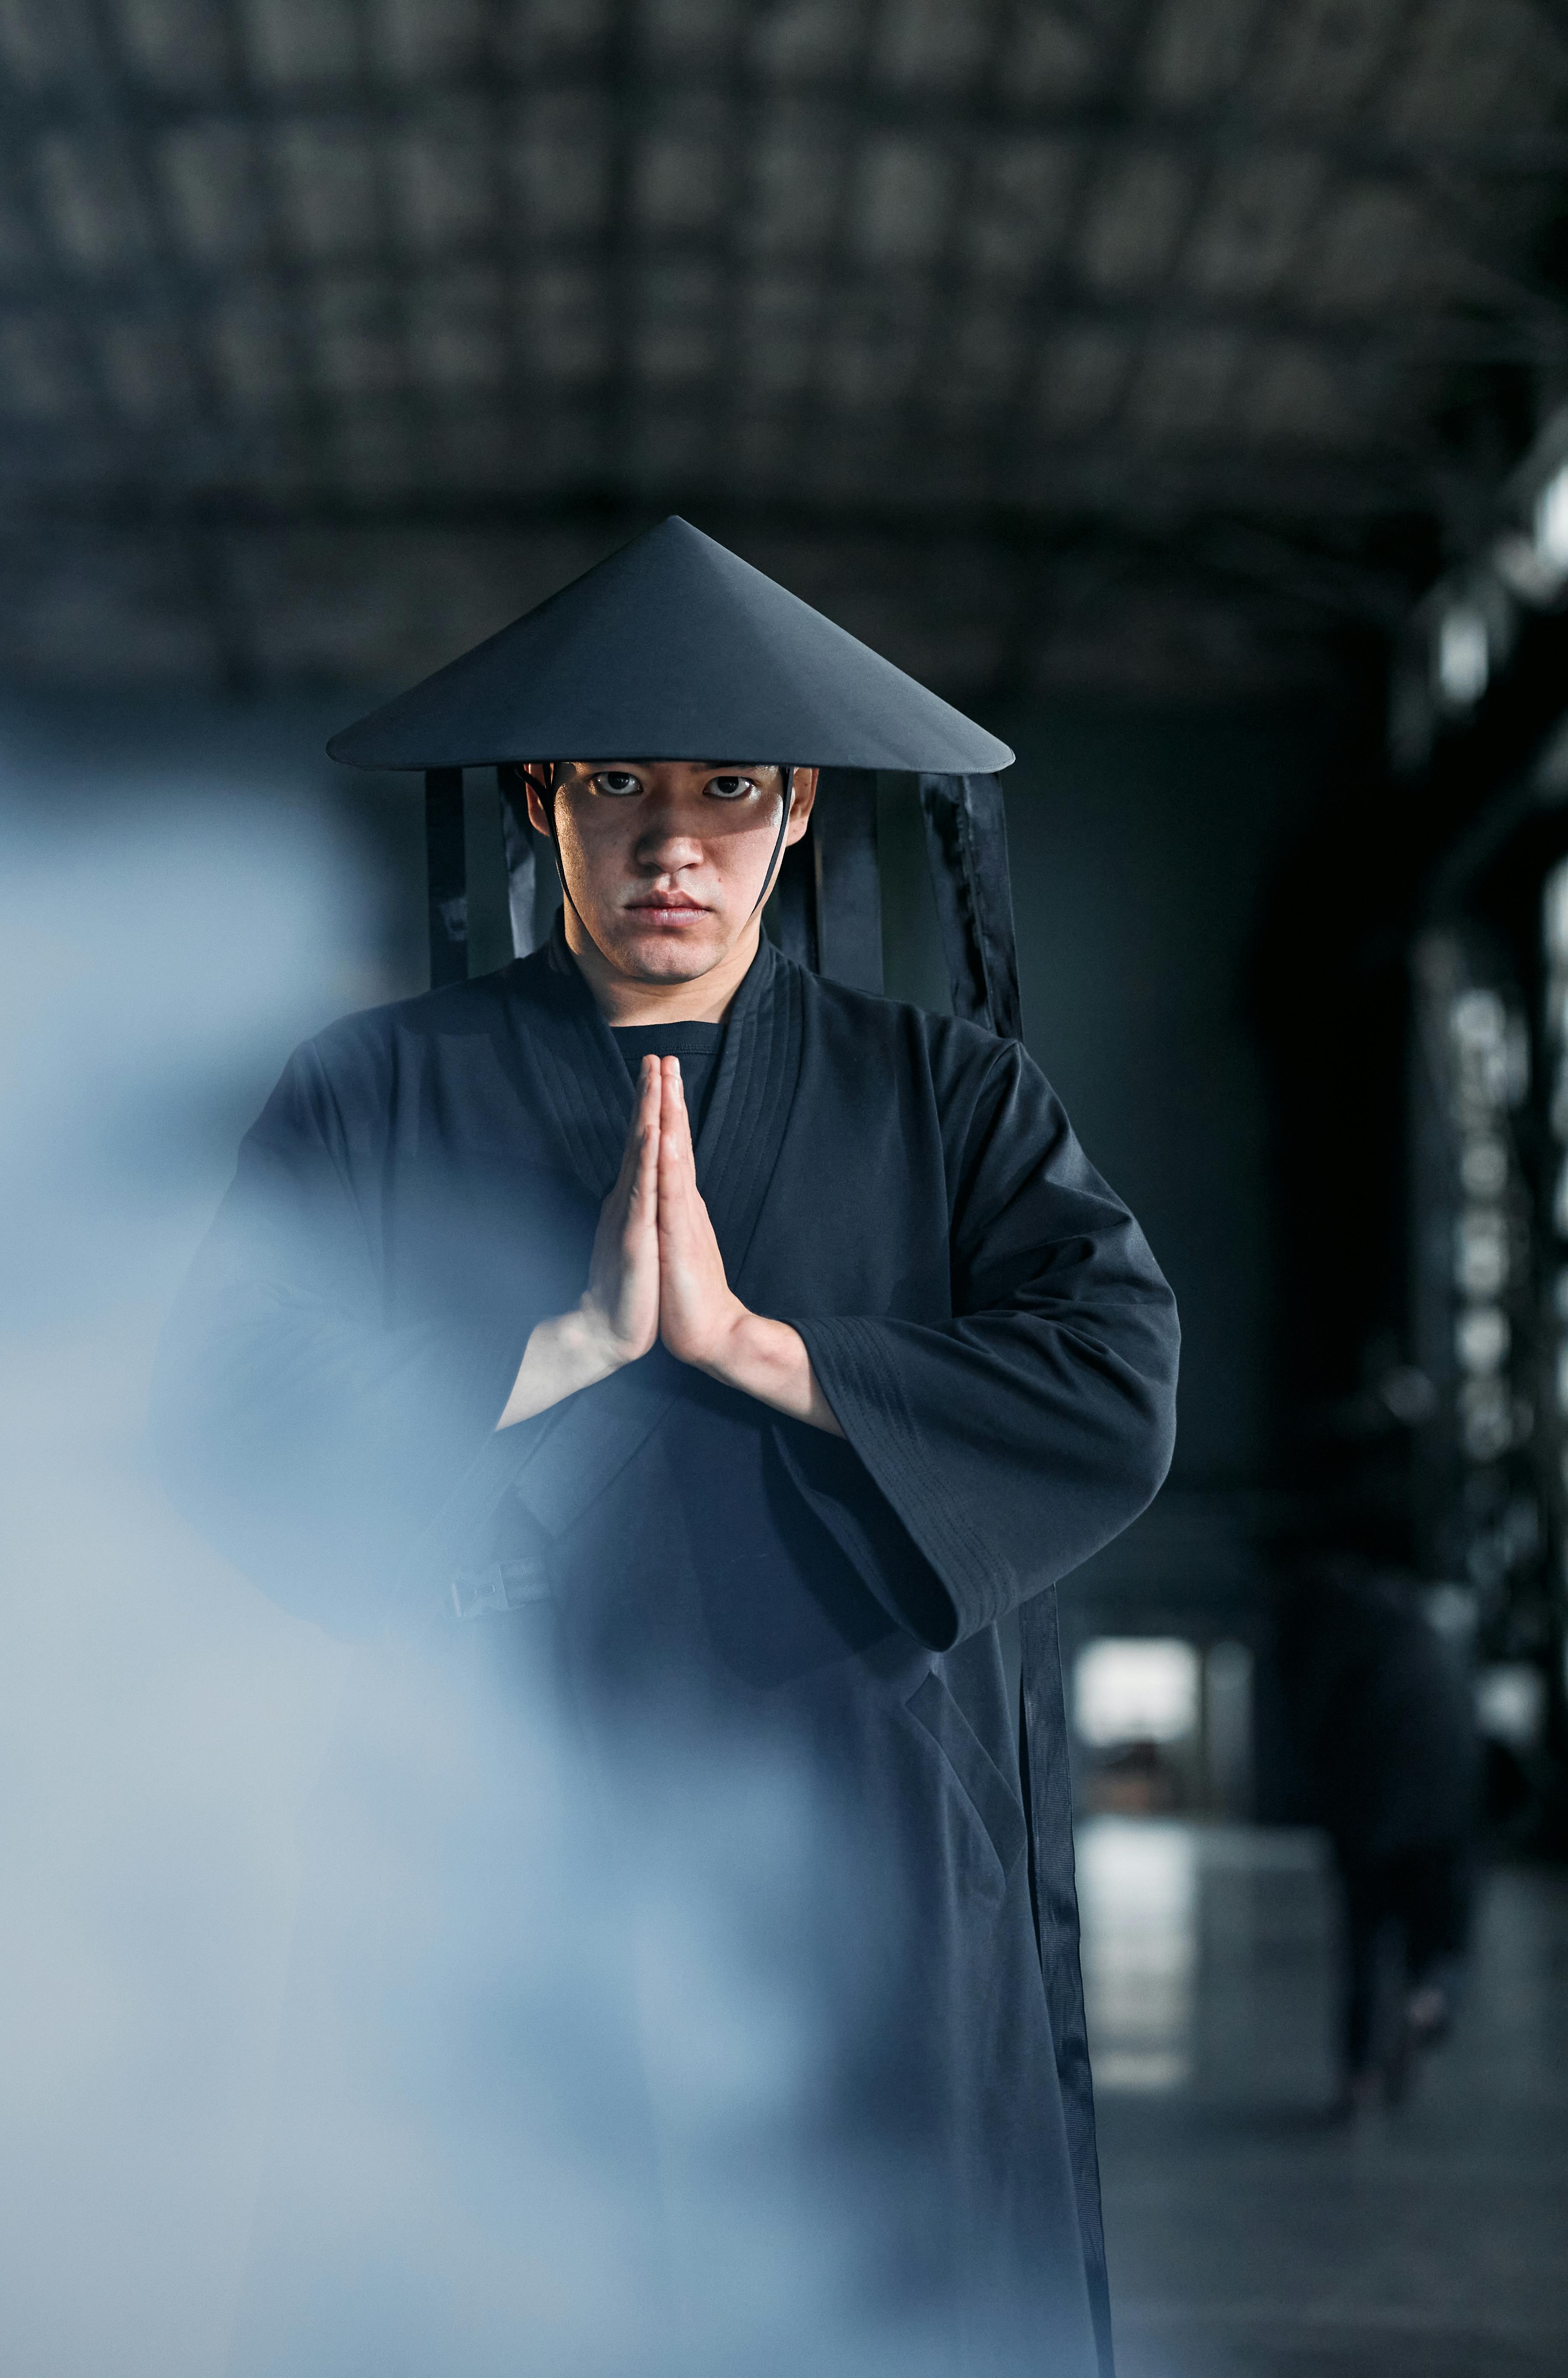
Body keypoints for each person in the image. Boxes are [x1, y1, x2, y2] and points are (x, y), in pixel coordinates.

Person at [153, 520, 1179, 2378]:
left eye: (725, 788)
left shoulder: (947, 1096)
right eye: (616, 782)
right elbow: (219, 1406)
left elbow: (1114, 1375)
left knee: (868, 2301)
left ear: (794, 811)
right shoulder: (371, 1087)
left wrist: (765, 1353)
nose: (671, 840)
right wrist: (553, 1349)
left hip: (858, 1829)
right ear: (544, 800)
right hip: (491, 1823)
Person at [1279, 1502, 1479, 2116]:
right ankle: (1427, 2001)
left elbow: (1313, 1721)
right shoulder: (1430, 1627)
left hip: (1368, 1809)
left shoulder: (1332, 1626)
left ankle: (1358, 2077)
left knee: (1365, 1939)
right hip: (1447, 1804)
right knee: (1440, 1930)